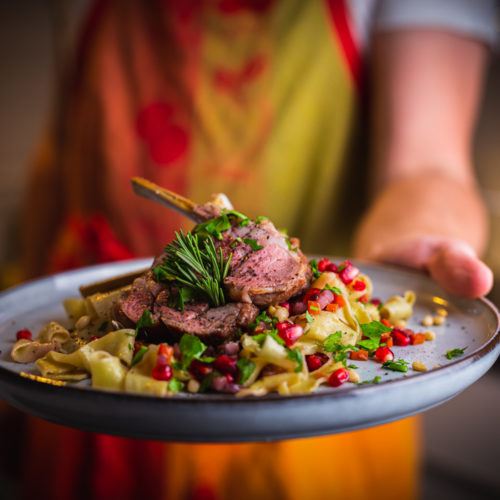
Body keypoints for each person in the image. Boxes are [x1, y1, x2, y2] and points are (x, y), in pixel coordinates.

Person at [16, 1, 496, 499]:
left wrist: (420, 229)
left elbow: (427, 166)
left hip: (315, 416)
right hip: (87, 397)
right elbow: (61, 157)